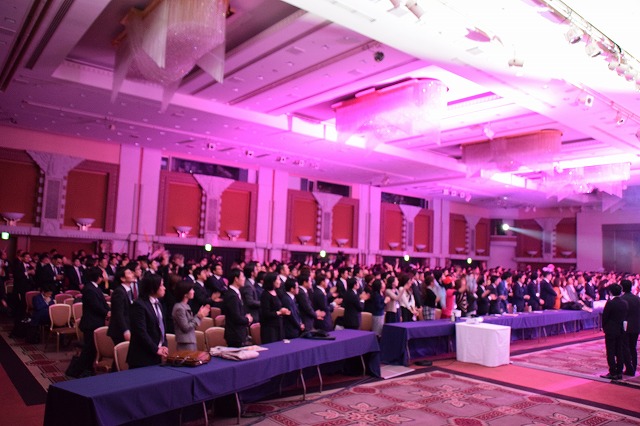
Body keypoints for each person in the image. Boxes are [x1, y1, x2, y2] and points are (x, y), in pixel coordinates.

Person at [128, 274, 169, 369]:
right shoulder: (139, 305)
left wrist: (164, 345)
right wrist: (155, 349)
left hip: (156, 355)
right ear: (152, 288)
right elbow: (140, 332)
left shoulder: (158, 304)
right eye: (161, 285)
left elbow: (162, 327)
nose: (164, 288)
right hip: (142, 357)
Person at [77, 267, 111, 376]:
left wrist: (108, 311)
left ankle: (88, 369)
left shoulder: (95, 287)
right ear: (98, 277)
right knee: (89, 348)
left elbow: (103, 303)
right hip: (90, 322)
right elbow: (95, 306)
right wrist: (106, 313)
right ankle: (80, 370)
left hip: (97, 321)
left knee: (92, 348)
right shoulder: (89, 288)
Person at [600, 283, 629, 380]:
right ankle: (619, 371)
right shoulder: (624, 303)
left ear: (610, 292)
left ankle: (612, 372)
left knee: (611, 351)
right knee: (619, 351)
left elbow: (605, 317)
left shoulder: (610, 303)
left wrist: (604, 328)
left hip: (611, 330)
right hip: (620, 329)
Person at [172, 280, 210, 351]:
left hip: (190, 340)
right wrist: (199, 316)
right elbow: (186, 327)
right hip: (185, 342)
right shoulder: (179, 308)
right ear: (185, 294)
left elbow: (190, 322)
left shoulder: (186, 306)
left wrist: (199, 315)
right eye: (191, 289)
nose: (193, 291)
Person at [223, 268, 252, 347]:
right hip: (235, 334)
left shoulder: (236, 293)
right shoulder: (231, 295)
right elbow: (236, 317)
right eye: (242, 276)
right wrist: (248, 319)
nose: (244, 279)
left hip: (239, 333)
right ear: (236, 279)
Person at [107, 267, 135, 346]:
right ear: (122, 278)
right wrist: (125, 330)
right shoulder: (119, 292)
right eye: (129, 273)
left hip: (127, 325)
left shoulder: (128, 290)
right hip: (119, 329)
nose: (132, 274)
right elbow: (118, 313)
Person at [259, 273, 290, 343]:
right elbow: (266, 313)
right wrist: (280, 312)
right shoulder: (265, 295)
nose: (280, 282)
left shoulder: (277, 292)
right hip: (270, 328)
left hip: (279, 325)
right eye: (278, 279)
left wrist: (283, 310)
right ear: (272, 281)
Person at [621, 279, 640, 376]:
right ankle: (634, 366)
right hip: (636, 326)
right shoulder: (637, 298)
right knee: (633, 347)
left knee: (625, 348)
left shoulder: (622, 299)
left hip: (625, 327)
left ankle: (629, 368)